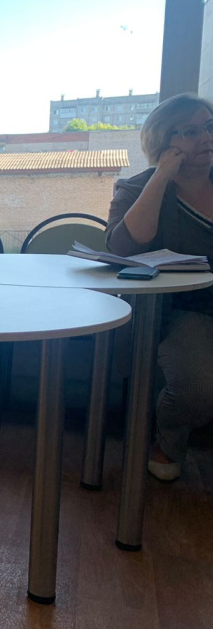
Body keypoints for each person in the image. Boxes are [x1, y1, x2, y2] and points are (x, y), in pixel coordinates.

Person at [106, 93, 213, 482]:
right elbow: (122, 247)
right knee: (197, 387)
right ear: (165, 143)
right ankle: (168, 440)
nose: (205, 138)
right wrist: (162, 177)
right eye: (190, 132)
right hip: (181, 309)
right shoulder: (136, 188)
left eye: (209, 127)